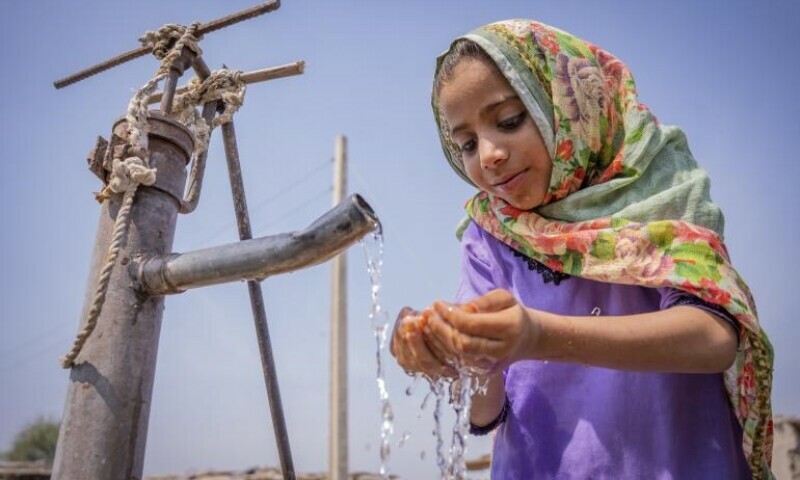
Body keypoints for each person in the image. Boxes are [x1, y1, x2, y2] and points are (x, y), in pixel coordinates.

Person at [390, 19, 774, 479]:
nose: (488, 154)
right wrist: (450, 353)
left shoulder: (657, 192)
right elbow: (483, 411)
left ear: (569, 105)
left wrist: (538, 336)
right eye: (467, 144)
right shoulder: (491, 234)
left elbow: (713, 339)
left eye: (509, 120)